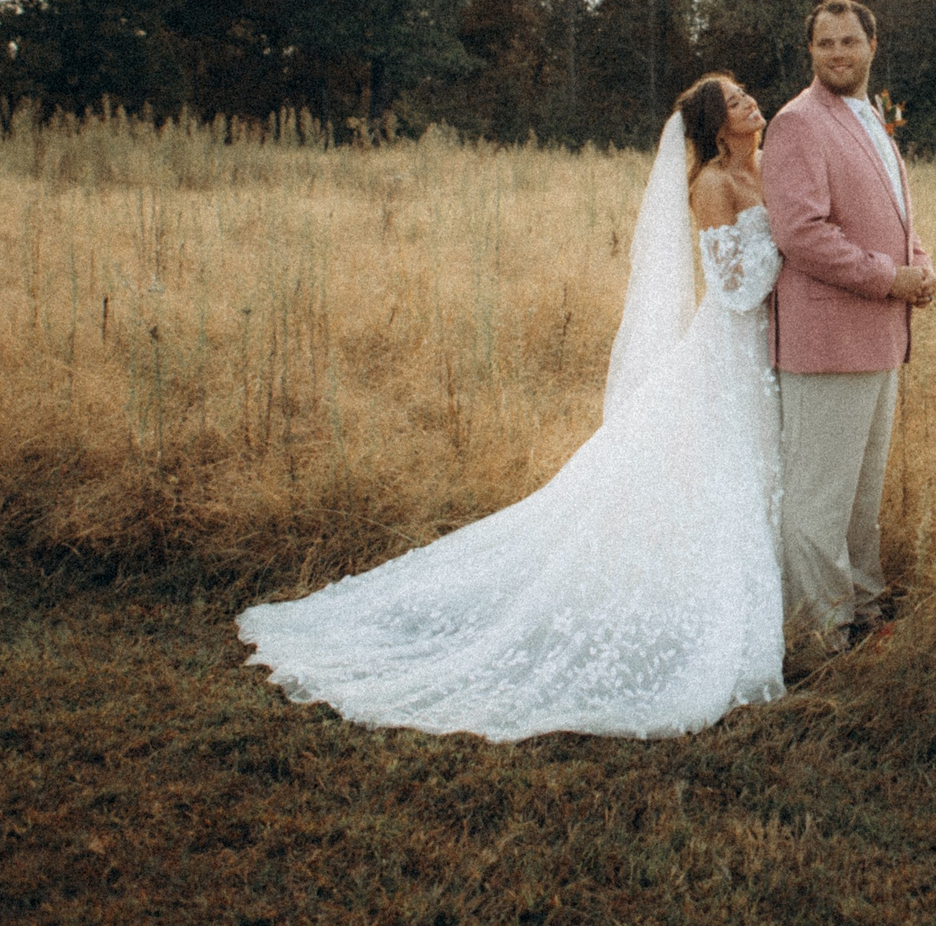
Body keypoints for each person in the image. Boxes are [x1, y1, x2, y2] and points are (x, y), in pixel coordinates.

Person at [235, 75, 785, 741]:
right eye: (733, 101)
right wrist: (794, 246)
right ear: (716, 125)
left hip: (762, 356)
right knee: (716, 475)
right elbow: (735, 286)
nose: (750, 102)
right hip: (727, 353)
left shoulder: (762, 170)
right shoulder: (712, 187)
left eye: (745, 93)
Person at [761, 0, 936, 652]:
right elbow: (800, 233)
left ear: (872, 45)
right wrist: (889, 277)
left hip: (880, 339)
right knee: (817, 500)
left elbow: (897, 217)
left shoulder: (872, 116)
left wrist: (920, 264)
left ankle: (864, 611)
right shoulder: (796, 124)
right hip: (823, 342)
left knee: (861, 499)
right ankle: (820, 634)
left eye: (848, 42)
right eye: (824, 43)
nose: (837, 53)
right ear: (810, 52)